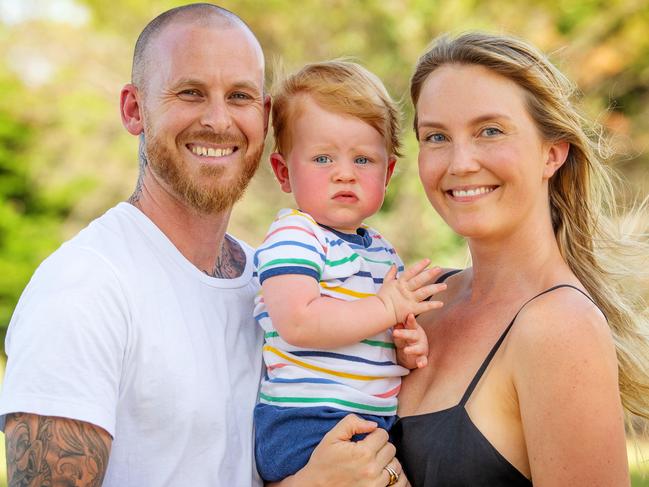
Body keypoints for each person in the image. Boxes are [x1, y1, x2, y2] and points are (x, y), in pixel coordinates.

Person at [0, 4, 409, 487]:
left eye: (239, 96)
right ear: (135, 110)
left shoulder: (273, 277)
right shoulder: (85, 286)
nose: (218, 120)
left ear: (263, 117)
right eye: (190, 92)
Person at [387, 32, 649, 486]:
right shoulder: (421, 305)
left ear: (552, 153)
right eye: (436, 136)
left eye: (489, 130)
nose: (461, 162)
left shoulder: (559, 326)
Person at [252, 60, 444, 482]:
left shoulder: (382, 252)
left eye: (363, 159)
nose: (344, 173)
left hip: (368, 421)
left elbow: (374, 334)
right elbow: (299, 322)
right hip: (307, 423)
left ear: (388, 172)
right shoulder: (295, 236)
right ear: (284, 171)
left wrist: (405, 346)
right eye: (322, 158)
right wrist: (385, 307)